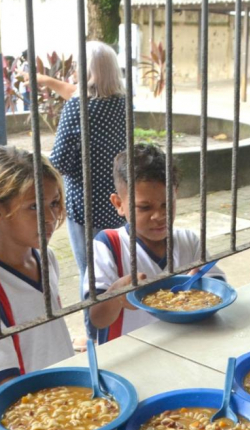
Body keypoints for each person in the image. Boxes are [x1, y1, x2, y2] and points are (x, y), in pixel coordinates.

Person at [85, 143, 225, 344]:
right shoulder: (108, 245)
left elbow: (220, 290)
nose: (159, 216)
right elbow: (96, 319)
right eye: (144, 207)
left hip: (184, 346)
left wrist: (204, 286)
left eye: (167, 204)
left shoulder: (189, 242)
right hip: (130, 353)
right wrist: (116, 295)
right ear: (119, 204)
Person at [0, 146, 74, 389]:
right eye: (34, 206)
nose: (50, 217)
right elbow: (4, 380)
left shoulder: (46, 257)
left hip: (70, 393)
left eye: (54, 203)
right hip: (35, 411)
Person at [50, 41, 129, 287]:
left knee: (92, 279)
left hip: (86, 207)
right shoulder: (123, 104)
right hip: (118, 202)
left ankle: (96, 325)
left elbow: (59, 163)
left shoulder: (78, 107)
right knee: (117, 268)